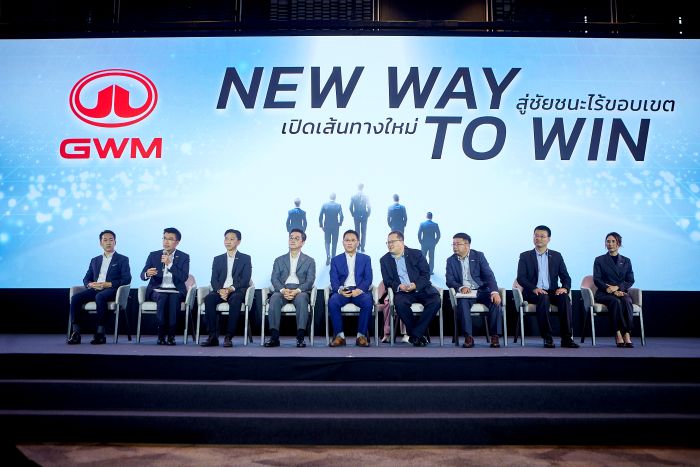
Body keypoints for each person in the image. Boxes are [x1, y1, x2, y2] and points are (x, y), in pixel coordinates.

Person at [516, 225, 579, 348]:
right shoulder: (525, 256)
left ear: (548, 239)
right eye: (536, 236)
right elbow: (521, 278)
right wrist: (534, 288)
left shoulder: (556, 256)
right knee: (543, 298)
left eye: (542, 236)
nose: (538, 238)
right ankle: (547, 337)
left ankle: (566, 338)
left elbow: (566, 276)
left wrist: (565, 288)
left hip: (553, 291)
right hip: (534, 292)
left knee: (564, 298)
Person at [67, 230, 131, 345]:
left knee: (100, 297)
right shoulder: (95, 260)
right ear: (101, 243)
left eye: (111, 240)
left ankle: (100, 333)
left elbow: (127, 279)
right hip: (95, 289)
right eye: (105, 240)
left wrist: (109, 284)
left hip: (112, 290)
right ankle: (76, 332)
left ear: (115, 242)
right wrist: (90, 284)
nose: (108, 242)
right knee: (75, 298)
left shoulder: (122, 259)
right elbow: (86, 278)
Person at [379, 230, 441, 347]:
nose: (389, 245)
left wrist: (415, 285)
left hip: (421, 288)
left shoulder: (416, 254)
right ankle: (418, 335)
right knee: (399, 303)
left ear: (401, 241)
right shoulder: (384, 260)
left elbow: (425, 274)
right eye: (388, 242)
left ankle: (415, 335)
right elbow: (387, 281)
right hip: (403, 292)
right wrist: (399, 286)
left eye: (392, 242)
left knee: (435, 301)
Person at [445, 233, 502, 348]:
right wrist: (461, 287)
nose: (455, 247)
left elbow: (489, 275)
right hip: (465, 293)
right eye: (453, 244)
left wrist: (495, 292)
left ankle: (495, 336)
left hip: (481, 290)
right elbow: (449, 280)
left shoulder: (478, 256)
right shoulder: (451, 260)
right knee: (462, 303)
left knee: (495, 302)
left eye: (458, 244)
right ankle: (468, 336)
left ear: (467, 245)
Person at [200, 229, 252, 348]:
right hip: (220, 290)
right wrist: (220, 290)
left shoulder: (245, 258)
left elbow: (245, 279)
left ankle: (229, 336)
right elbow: (214, 279)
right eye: (226, 238)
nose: (228, 241)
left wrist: (230, 289)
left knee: (235, 300)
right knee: (209, 299)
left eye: (232, 239)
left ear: (238, 242)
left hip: (236, 290)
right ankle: (212, 336)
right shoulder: (218, 259)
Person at [264, 228, 316, 348]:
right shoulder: (279, 260)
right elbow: (274, 279)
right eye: (291, 238)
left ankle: (300, 338)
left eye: (297, 238)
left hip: (300, 290)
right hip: (283, 289)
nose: (292, 240)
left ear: (302, 242)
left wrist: (297, 290)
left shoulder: (309, 261)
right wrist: (283, 290)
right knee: (274, 298)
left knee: (302, 299)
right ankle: (274, 337)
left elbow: (310, 281)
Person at [140, 227, 190, 346]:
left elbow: (183, 277)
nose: (166, 241)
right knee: (163, 297)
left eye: (170, 239)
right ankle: (161, 334)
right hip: (157, 290)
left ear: (177, 242)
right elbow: (142, 275)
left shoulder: (184, 257)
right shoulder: (154, 255)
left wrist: (170, 264)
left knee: (173, 298)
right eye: (164, 238)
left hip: (176, 290)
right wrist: (147, 273)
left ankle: (171, 336)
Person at [328, 230, 373, 347]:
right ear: (343, 242)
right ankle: (339, 336)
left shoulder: (366, 259)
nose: (349, 243)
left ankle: (361, 336)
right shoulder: (335, 260)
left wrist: (359, 290)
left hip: (359, 291)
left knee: (368, 301)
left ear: (357, 242)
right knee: (333, 301)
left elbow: (368, 279)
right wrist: (340, 290)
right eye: (347, 240)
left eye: (353, 240)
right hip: (343, 291)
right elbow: (333, 280)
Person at [593, 232, 636, 348]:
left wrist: (617, 288)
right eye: (608, 241)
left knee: (627, 300)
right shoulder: (599, 260)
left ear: (619, 244)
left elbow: (630, 280)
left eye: (613, 241)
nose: (610, 244)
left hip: (621, 291)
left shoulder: (626, 261)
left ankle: (627, 333)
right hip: (604, 292)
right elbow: (597, 279)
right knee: (615, 301)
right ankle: (618, 333)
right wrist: (610, 289)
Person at [319, 193, 344, 266]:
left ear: (329, 197)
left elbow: (320, 216)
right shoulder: (338, 205)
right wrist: (340, 223)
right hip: (335, 226)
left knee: (327, 241)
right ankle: (333, 257)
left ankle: (328, 256)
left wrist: (321, 225)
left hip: (327, 226)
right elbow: (342, 216)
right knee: (334, 242)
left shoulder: (324, 205)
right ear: (335, 198)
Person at [349, 183, 371, 252]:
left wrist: (353, 214)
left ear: (357, 187)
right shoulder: (366, 196)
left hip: (356, 215)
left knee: (357, 231)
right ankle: (362, 248)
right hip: (364, 215)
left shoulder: (353, 196)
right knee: (364, 232)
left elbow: (350, 207)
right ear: (363, 188)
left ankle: (358, 247)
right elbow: (369, 206)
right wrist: (368, 214)